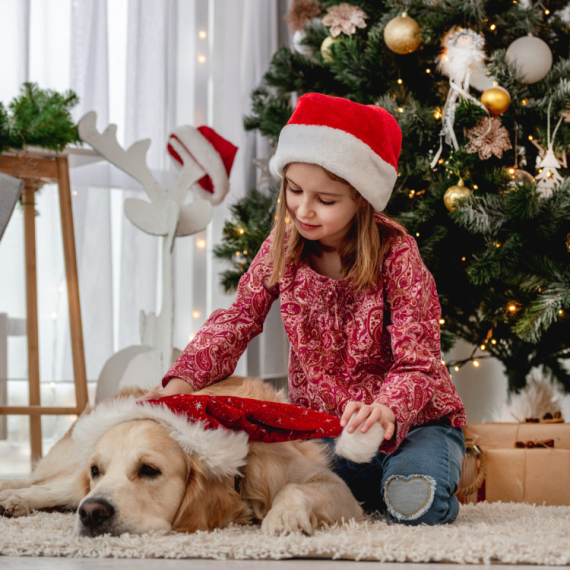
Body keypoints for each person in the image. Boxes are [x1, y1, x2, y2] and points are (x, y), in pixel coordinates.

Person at [142, 93, 467, 526]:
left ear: (361, 201)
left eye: (326, 200)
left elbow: (419, 362)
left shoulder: (398, 256)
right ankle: (378, 486)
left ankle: (428, 472)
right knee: (297, 483)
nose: (304, 209)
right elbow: (238, 319)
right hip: (328, 429)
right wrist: (177, 387)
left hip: (414, 424)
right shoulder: (282, 244)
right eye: (294, 190)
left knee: (416, 500)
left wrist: (385, 409)